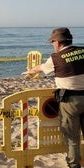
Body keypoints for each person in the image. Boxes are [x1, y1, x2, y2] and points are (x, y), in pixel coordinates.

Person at [22, 27, 84, 168]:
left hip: (70, 101)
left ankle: (74, 165)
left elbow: (41, 68)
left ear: (57, 42)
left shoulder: (55, 58)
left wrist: (31, 71)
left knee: (72, 138)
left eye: (52, 42)